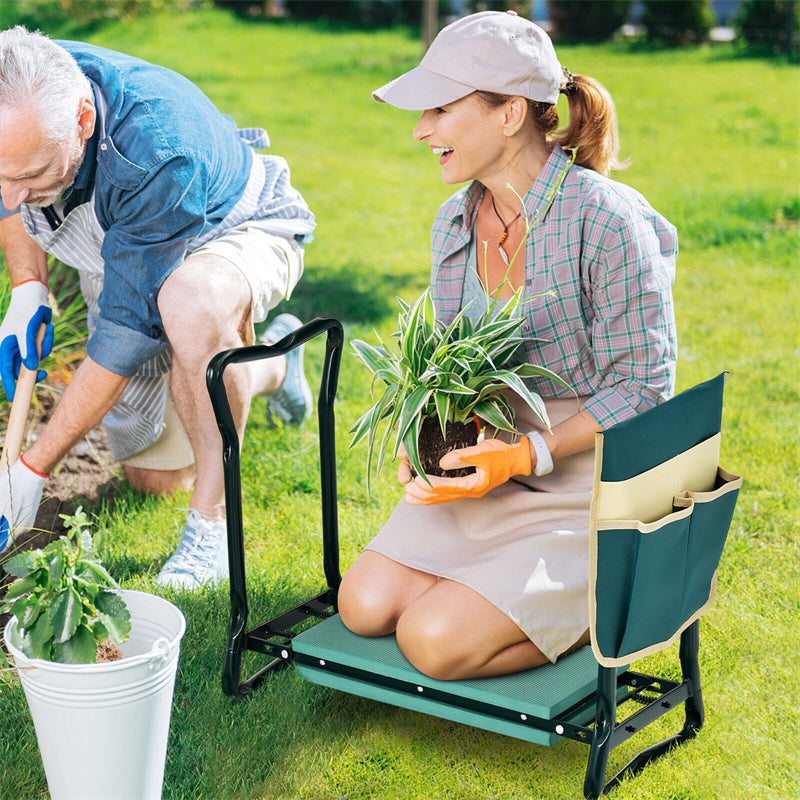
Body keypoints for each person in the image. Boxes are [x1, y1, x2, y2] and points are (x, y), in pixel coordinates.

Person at [338, 11, 678, 681]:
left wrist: (529, 452)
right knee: (364, 606)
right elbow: (453, 368)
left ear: (509, 113)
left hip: (586, 480)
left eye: (440, 107)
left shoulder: (604, 220)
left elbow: (645, 387)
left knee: (431, 642)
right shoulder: (454, 222)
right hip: (490, 470)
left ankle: (600, 604)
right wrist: (428, 436)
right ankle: (496, 598)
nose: (420, 129)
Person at [0, 26, 316, 589]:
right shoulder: (17, 89)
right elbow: (8, 183)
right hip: (125, 239)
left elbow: (123, 335)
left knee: (190, 305)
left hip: (234, 226)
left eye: (28, 177)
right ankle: (272, 363)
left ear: (83, 122)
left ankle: (213, 523)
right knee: (153, 479)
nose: (10, 197)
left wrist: (32, 466)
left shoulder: (157, 151)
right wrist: (29, 285)